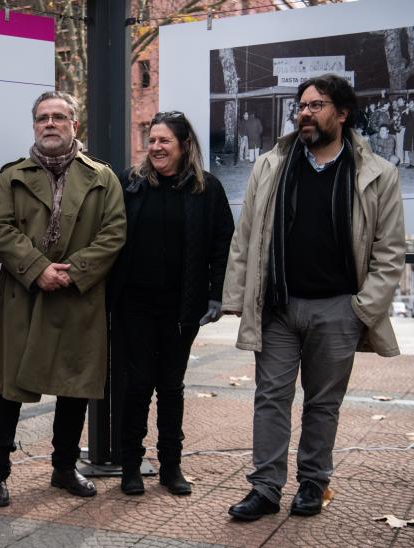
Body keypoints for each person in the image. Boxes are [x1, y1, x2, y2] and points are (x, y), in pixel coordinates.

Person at [222, 74, 405, 521]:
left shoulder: (376, 173)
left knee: (323, 404)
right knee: (270, 397)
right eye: (301, 105)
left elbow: (389, 250)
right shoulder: (271, 165)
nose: (305, 112)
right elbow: (245, 238)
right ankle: (265, 488)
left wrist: (363, 308)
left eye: (317, 105)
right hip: (279, 305)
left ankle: (312, 483)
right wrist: (238, 297)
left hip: (339, 308)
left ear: (341, 114)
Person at [0, 91, 126, 507]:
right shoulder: (12, 175)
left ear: (74, 125)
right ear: (34, 125)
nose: (50, 124)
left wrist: (72, 273)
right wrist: (38, 269)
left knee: (73, 386)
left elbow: (114, 233)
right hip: (23, 295)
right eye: (42, 117)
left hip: (77, 297)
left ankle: (63, 467)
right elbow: (0, 227)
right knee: (7, 389)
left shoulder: (103, 176)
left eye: (59, 117)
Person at [109, 111, 234, 496]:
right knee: (137, 385)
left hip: (183, 306)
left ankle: (171, 467)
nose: (156, 147)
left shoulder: (206, 189)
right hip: (134, 304)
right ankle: (130, 466)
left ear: (183, 146)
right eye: (152, 140)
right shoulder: (131, 183)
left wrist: (216, 295)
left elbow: (221, 244)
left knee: (171, 386)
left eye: (165, 141)